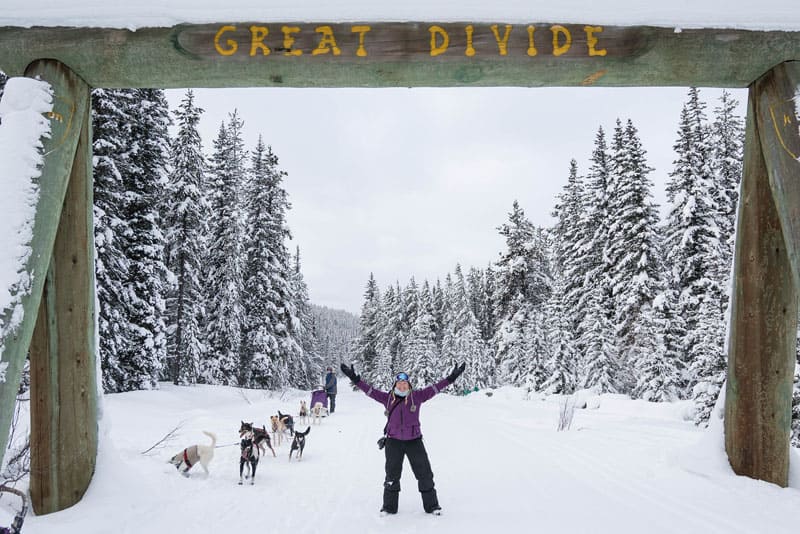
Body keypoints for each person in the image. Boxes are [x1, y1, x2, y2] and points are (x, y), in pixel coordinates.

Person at [340, 361, 466, 516]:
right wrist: (355, 379)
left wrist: (451, 378)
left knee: (424, 473)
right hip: (394, 442)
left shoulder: (418, 396)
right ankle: (389, 507)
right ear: (395, 386)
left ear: (409, 385)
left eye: (405, 384)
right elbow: (370, 391)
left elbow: (436, 388)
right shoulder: (387, 398)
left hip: (414, 441)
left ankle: (432, 506)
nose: (402, 386)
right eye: (399, 384)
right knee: (392, 475)